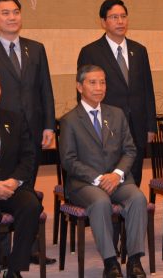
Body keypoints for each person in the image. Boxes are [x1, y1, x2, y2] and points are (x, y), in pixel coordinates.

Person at [0, 0, 56, 265]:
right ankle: (0, 253)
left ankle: (31, 249)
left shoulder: (35, 49)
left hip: (32, 131)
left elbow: (45, 89)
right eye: (5, 13)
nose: (12, 17)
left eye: (16, 12)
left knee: (26, 188)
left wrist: (49, 124)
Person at [59, 65, 148, 278]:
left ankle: (134, 260)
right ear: (79, 87)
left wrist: (117, 174)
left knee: (138, 198)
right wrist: (98, 178)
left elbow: (130, 150)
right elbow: (69, 160)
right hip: (84, 184)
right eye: (92, 82)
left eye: (102, 82)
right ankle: (110, 263)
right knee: (100, 202)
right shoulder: (70, 120)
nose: (99, 87)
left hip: (117, 180)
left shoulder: (116, 114)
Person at [78, 0, 157, 187]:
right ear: (103, 22)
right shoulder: (91, 52)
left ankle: (131, 215)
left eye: (123, 16)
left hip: (136, 125)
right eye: (114, 17)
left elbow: (148, 89)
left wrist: (151, 125)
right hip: (106, 126)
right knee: (109, 178)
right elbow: (83, 94)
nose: (120, 21)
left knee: (134, 175)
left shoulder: (139, 51)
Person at [0, 68, 42, 278]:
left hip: (11, 185)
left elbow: (28, 156)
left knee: (31, 205)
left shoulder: (13, 118)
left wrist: (15, 181)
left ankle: (15, 268)